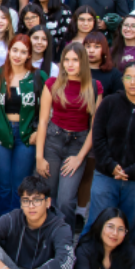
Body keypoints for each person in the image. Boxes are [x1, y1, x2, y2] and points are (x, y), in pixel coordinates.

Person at [85, 61, 135, 234]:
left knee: (126, 229)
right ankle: (87, 260)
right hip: (106, 176)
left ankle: (120, 262)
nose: (133, 82)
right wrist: (111, 166)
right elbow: (98, 137)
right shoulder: (109, 103)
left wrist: (132, 171)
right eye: (128, 77)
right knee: (96, 225)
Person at [36, 43, 103, 223]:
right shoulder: (52, 83)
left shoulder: (95, 87)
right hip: (53, 140)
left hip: (78, 143)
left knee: (66, 201)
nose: (70, 64)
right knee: (47, 195)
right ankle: (45, 239)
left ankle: (64, 242)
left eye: (75, 59)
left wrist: (80, 157)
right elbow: (42, 121)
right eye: (66, 59)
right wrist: (39, 157)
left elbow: (94, 127)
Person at [0, 34, 46, 219]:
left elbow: (48, 109)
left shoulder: (38, 76)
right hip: (2, 135)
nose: (18, 55)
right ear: (9, 50)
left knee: (19, 186)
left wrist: (38, 130)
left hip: (27, 137)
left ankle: (16, 227)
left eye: (23, 52)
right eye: (15, 50)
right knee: (3, 186)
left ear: (29, 55)